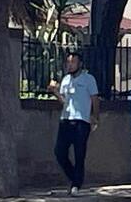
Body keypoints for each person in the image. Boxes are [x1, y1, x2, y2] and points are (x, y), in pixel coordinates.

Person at [48, 52, 100, 196]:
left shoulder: (88, 79)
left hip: (81, 121)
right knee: (59, 152)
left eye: (73, 62)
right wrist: (55, 92)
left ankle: (76, 184)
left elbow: (95, 99)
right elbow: (64, 101)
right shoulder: (65, 80)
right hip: (66, 119)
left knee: (79, 153)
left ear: (80, 64)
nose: (70, 65)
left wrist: (95, 117)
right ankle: (74, 178)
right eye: (68, 62)